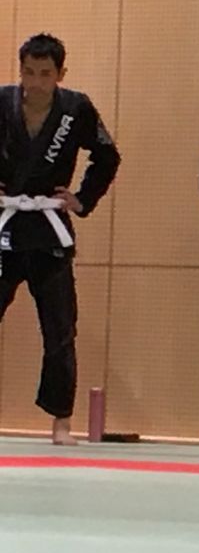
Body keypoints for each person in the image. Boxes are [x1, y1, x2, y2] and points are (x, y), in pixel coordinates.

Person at [0, 34, 121, 445]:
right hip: (6, 227)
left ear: (60, 74)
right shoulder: (2, 102)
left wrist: (82, 199)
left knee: (60, 329)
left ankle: (61, 423)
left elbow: (107, 156)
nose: (35, 83)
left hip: (48, 228)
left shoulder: (75, 108)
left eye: (45, 74)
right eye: (28, 73)